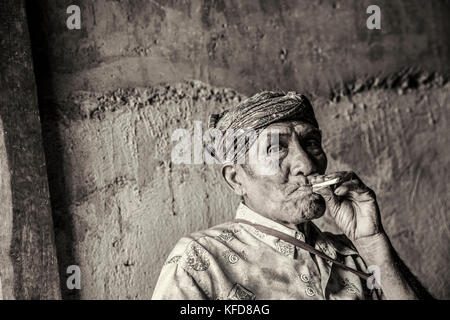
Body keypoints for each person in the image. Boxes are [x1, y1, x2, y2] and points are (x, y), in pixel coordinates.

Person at [152, 91, 432, 300]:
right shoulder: (201, 261)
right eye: (276, 148)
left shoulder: (353, 257)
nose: (307, 165)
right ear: (236, 179)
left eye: (311, 143)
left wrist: (372, 244)